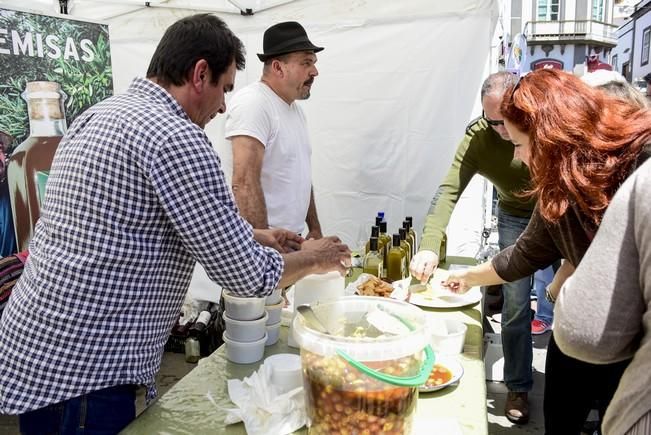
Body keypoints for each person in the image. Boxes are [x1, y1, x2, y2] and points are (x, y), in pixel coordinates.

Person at [0, 14, 350, 434]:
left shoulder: (103, 112)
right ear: (200, 73)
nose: (223, 106)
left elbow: (138, 220)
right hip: (87, 371)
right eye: (223, 88)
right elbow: (246, 276)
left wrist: (252, 234)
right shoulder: (176, 136)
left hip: (42, 346)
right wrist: (316, 257)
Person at [440, 68, 651, 434]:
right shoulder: (558, 185)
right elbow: (524, 254)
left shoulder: (639, 172)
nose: (518, 158)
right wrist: (469, 278)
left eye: (521, 145)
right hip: (583, 353)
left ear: (552, 137)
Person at [409, 71, 541, 424]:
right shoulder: (479, 137)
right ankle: (518, 385)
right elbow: (447, 190)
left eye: (505, 120)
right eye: (491, 120)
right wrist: (429, 246)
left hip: (558, 211)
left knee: (566, 298)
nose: (500, 129)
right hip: (515, 215)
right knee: (515, 302)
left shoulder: (544, 124)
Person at [553, 159, 651, 435]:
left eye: (518, 145)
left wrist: (558, 290)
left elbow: (585, 331)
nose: (515, 158)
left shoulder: (643, 182)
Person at [226, 21, 323, 239]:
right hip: (267, 244)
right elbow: (243, 182)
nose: (315, 71)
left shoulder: (296, 111)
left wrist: (314, 228)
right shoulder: (254, 103)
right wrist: (264, 249)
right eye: (306, 63)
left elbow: (301, 175)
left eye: (314, 63)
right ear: (278, 67)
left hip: (290, 242)